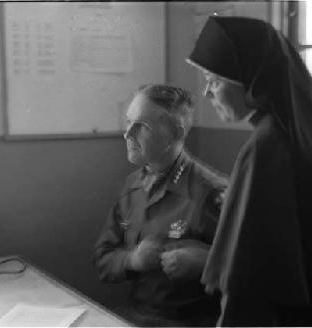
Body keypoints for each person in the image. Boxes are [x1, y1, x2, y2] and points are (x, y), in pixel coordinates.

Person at [186, 16, 312, 326]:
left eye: (213, 80)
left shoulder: (268, 145)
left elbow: (251, 285)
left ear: (250, 76)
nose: (207, 93)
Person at [94, 84, 228, 327]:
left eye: (142, 126)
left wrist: (207, 263)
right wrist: (133, 260)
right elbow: (103, 260)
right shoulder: (132, 186)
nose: (127, 134)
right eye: (128, 122)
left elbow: (253, 272)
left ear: (175, 134)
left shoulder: (212, 193)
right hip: (136, 315)